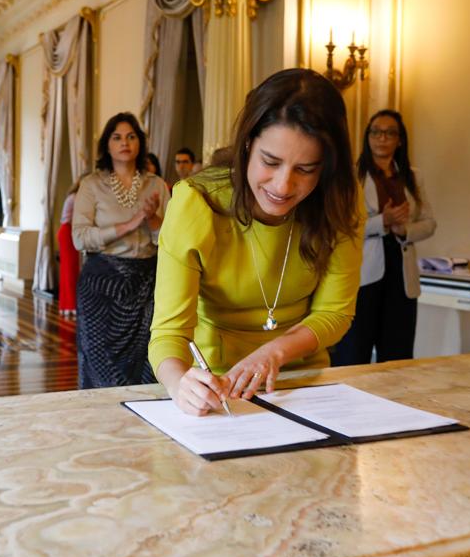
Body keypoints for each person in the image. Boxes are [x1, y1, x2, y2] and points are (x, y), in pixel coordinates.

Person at [149, 68, 363, 416]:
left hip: (305, 382)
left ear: (326, 167)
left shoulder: (340, 203)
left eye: (305, 169)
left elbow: (335, 313)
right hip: (217, 385)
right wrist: (178, 384)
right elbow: (168, 333)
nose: (282, 186)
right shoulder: (196, 202)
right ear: (247, 144)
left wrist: (275, 352)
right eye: (270, 162)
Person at [72, 112, 170, 388]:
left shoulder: (156, 184)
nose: (124, 143)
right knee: (99, 362)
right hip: (102, 283)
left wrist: (152, 219)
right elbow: (79, 238)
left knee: (145, 359)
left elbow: (170, 240)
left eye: (131, 136)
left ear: (140, 143)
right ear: (107, 144)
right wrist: (128, 225)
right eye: (117, 137)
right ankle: (101, 412)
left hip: (146, 283)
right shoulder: (92, 185)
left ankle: (142, 411)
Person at [331, 109, 435, 365]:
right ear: (367, 137)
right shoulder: (353, 176)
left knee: (398, 356)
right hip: (364, 275)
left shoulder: (412, 176)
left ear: (399, 140)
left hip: (401, 275)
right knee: (354, 353)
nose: (382, 138)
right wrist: (383, 221)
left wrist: (404, 230)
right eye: (376, 132)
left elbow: (429, 224)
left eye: (390, 133)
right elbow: (341, 226)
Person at [57, 178, 82, 318]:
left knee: (68, 269)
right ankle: (70, 305)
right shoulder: (76, 198)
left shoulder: (73, 196)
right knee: (70, 269)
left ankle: (66, 305)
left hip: (67, 231)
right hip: (68, 232)